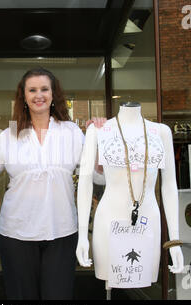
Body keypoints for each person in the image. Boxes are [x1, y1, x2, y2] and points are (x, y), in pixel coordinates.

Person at [0, 68, 106, 300]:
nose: (38, 95)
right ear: (23, 96)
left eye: (44, 89)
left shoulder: (71, 131)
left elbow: (98, 176)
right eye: (32, 90)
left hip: (62, 231)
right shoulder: (9, 134)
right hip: (15, 233)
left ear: (54, 94)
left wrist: (99, 139)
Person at [76, 102, 184, 288]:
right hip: (109, 221)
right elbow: (85, 182)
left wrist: (174, 240)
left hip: (147, 222)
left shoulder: (161, 132)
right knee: (109, 283)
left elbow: (169, 185)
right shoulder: (98, 131)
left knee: (143, 279)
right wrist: (82, 235)